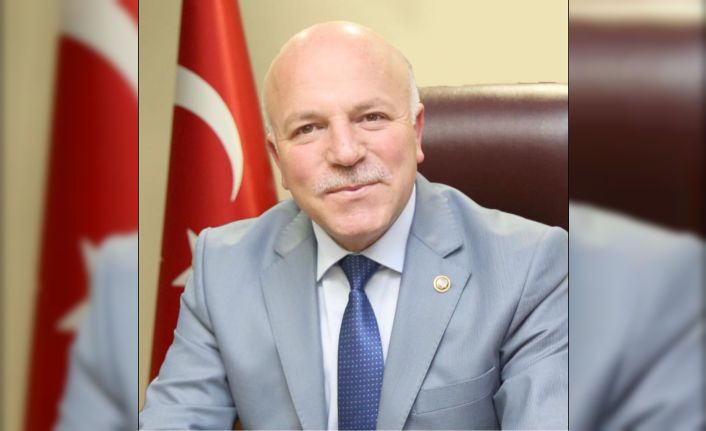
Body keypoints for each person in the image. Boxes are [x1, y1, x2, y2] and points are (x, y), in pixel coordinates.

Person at [140, 21, 567, 430]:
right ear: (278, 158)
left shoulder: (530, 269)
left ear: (416, 131)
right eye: (308, 128)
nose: (345, 153)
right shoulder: (223, 269)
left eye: (371, 117)